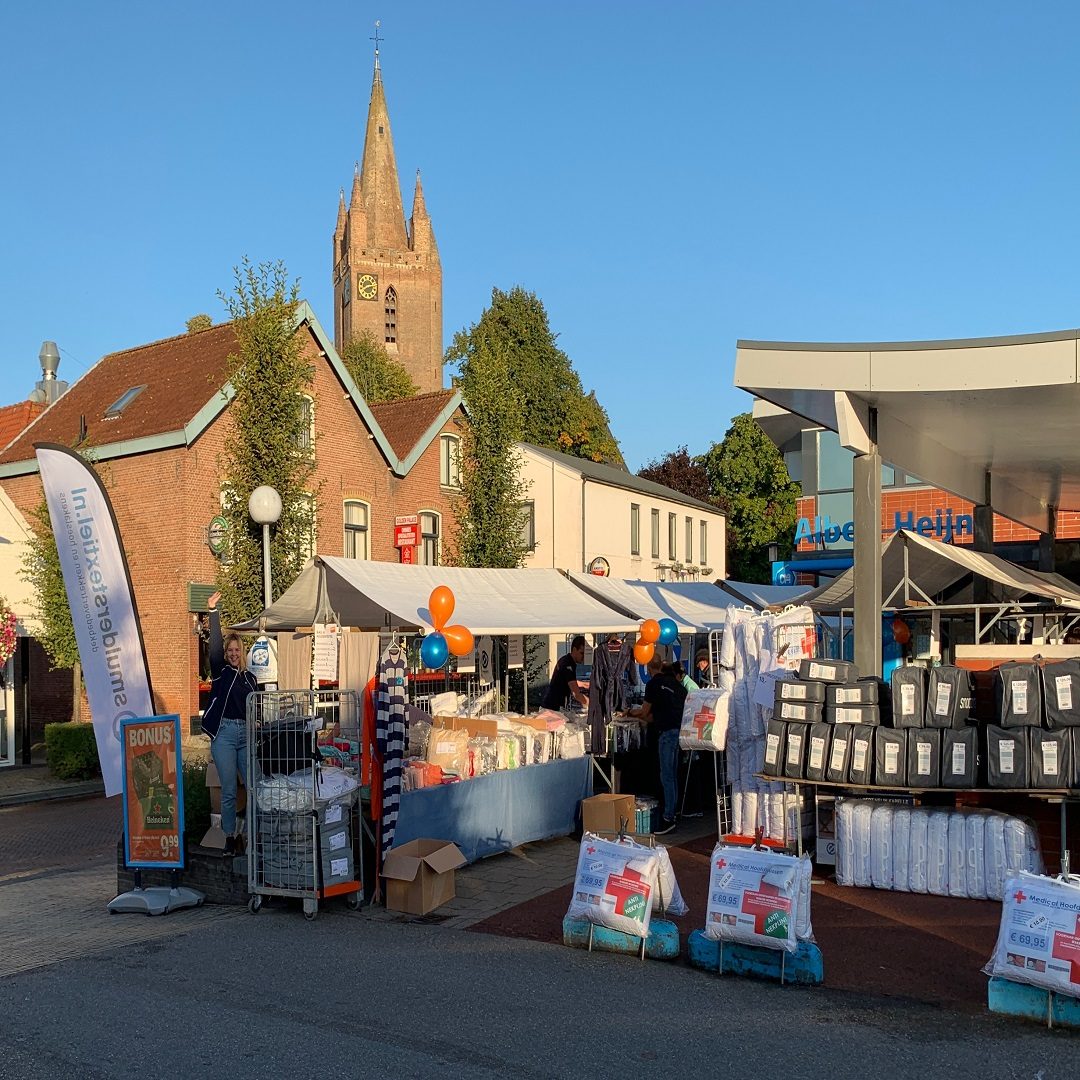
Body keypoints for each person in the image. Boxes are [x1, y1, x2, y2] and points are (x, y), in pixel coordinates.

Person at [202, 591, 259, 855]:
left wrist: (258, 722)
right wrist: (213, 612)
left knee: (254, 787)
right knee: (228, 790)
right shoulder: (221, 672)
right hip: (224, 733)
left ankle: (249, 833)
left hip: (246, 734)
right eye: (230, 650)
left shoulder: (250, 678)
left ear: (242, 652)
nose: (234, 654)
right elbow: (213, 647)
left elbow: (256, 706)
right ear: (226, 654)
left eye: (237, 650)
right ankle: (229, 837)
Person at [629, 656, 687, 834]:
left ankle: (668, 818)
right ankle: (673, 812)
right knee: (672, 775)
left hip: (666, 734)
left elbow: (646, 712)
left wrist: (630, 712)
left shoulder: (653, 684)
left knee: (667, 776)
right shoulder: (677, 685)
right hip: (679, 733)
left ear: (648, 668)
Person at [542, 635, 589, 712]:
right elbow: (576, 694)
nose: (583, 657)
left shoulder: (566, 660)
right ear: (574, 649)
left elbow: (569, 681)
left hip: (552, 705)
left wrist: (585, 684)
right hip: (553, 707)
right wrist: (592, 704)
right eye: (581, 653)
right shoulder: (568, 664)